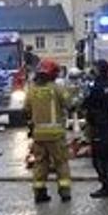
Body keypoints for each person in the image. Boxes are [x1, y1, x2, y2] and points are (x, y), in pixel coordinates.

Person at [24, 60, 74, 203]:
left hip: (38, 136)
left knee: (40, 164)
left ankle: (39, 193)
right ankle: (64, 192)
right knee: (61, 163)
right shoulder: (57, 89)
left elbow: (26, 110)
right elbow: (69, 104)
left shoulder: (32, 90)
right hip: (56, 135)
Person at [81, 61, 108, 198]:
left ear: (98, 70)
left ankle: (106, 186)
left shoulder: (95, 86)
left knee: (99, 158)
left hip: (98, 125)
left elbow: (86, 103)